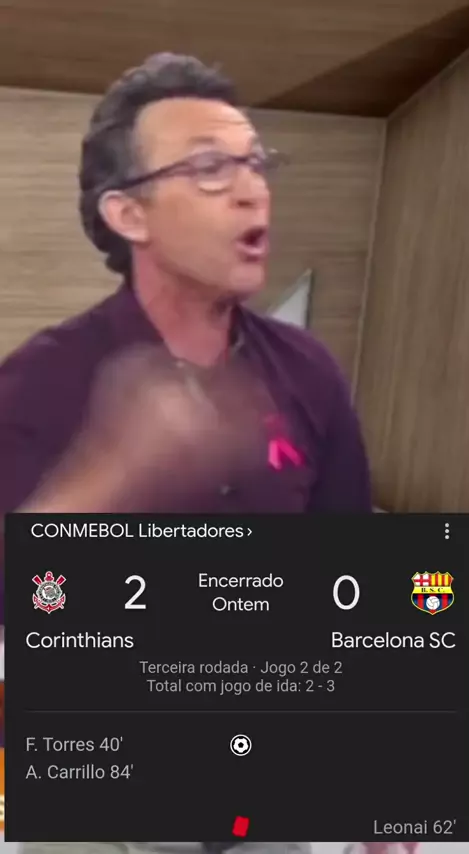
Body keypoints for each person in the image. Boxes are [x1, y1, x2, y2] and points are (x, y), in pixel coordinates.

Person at [0, 52, 373, 854]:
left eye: (256, 162)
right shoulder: (40, 380)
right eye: (209, 168)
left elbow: (354, 572)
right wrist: (106, 479)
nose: (252, 189)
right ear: (128, 214)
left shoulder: (309, 371)